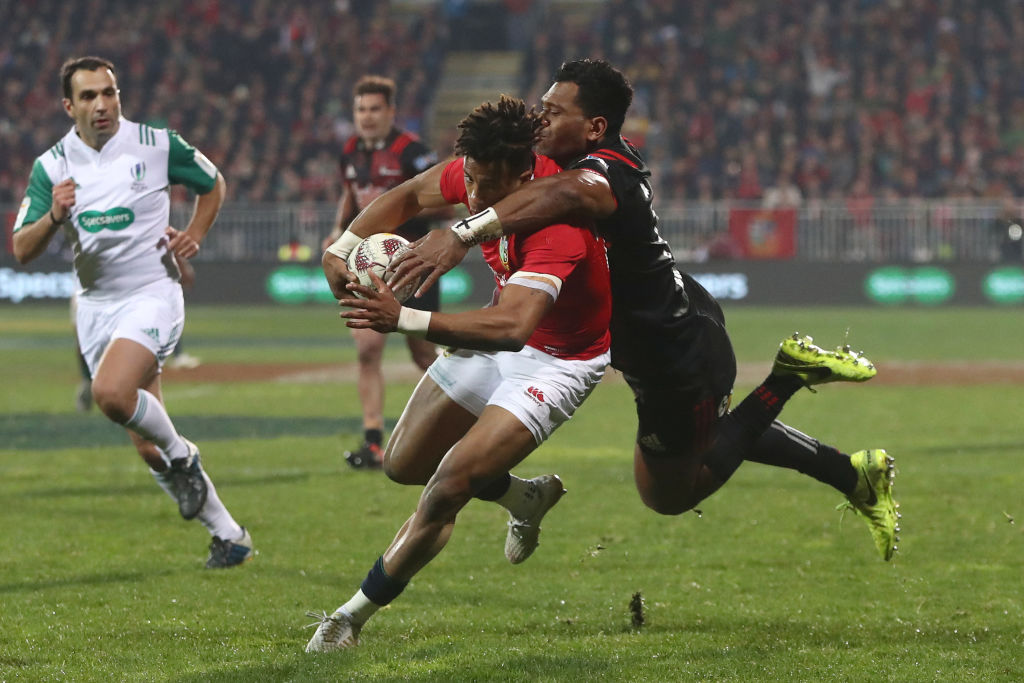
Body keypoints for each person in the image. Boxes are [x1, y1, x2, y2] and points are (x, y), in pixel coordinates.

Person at [390, 59, 900, 562]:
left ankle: (786, 378)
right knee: (699, 440)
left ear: (594, 127)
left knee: (671, 494)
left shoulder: (605, 174)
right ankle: (851, 473)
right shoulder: (557, 164)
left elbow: (565, 196)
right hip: (653, 333)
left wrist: (462, 233)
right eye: (540, 108)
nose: (539, 120)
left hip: (673, 357)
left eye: (552, 111)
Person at [306, 95, 612, 651]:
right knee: (403, 465)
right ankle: (524, 498)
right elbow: (405, 196)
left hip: (557, 359)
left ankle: (348, 619)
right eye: (468, 178)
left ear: (523, 176)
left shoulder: (558, 226)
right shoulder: (481, 168)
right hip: (498, 334)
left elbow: (514, 326)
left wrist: (405, 320)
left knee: (446, 487)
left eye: (487, 186)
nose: (471, 196)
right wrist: (343, 245)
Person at [11, 56, 253, 569]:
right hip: (96, 310)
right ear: (68, 106)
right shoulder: (52, 167)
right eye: (90, 96)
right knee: (148, 447)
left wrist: (195, 234)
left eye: (110, 92)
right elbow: (21, 249)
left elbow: (214, 183)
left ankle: (186, 457)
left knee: (111, 394)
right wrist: (54, 215)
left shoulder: (157, 143)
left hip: (152, 294)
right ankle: (231, 537)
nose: (103, 104)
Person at [320, 75, 442, 469]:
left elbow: (443, 201)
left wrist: (402, 218)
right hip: (364, 265)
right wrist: (339, 233)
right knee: (368, 351)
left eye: (375, 109)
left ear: (391, 112)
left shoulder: (414, 152)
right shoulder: (350, 151)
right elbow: (350, 195)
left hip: (411, 264)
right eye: (360, 110)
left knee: (422, 352)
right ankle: (373, 441)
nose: (367, 117)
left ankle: (459, 421)